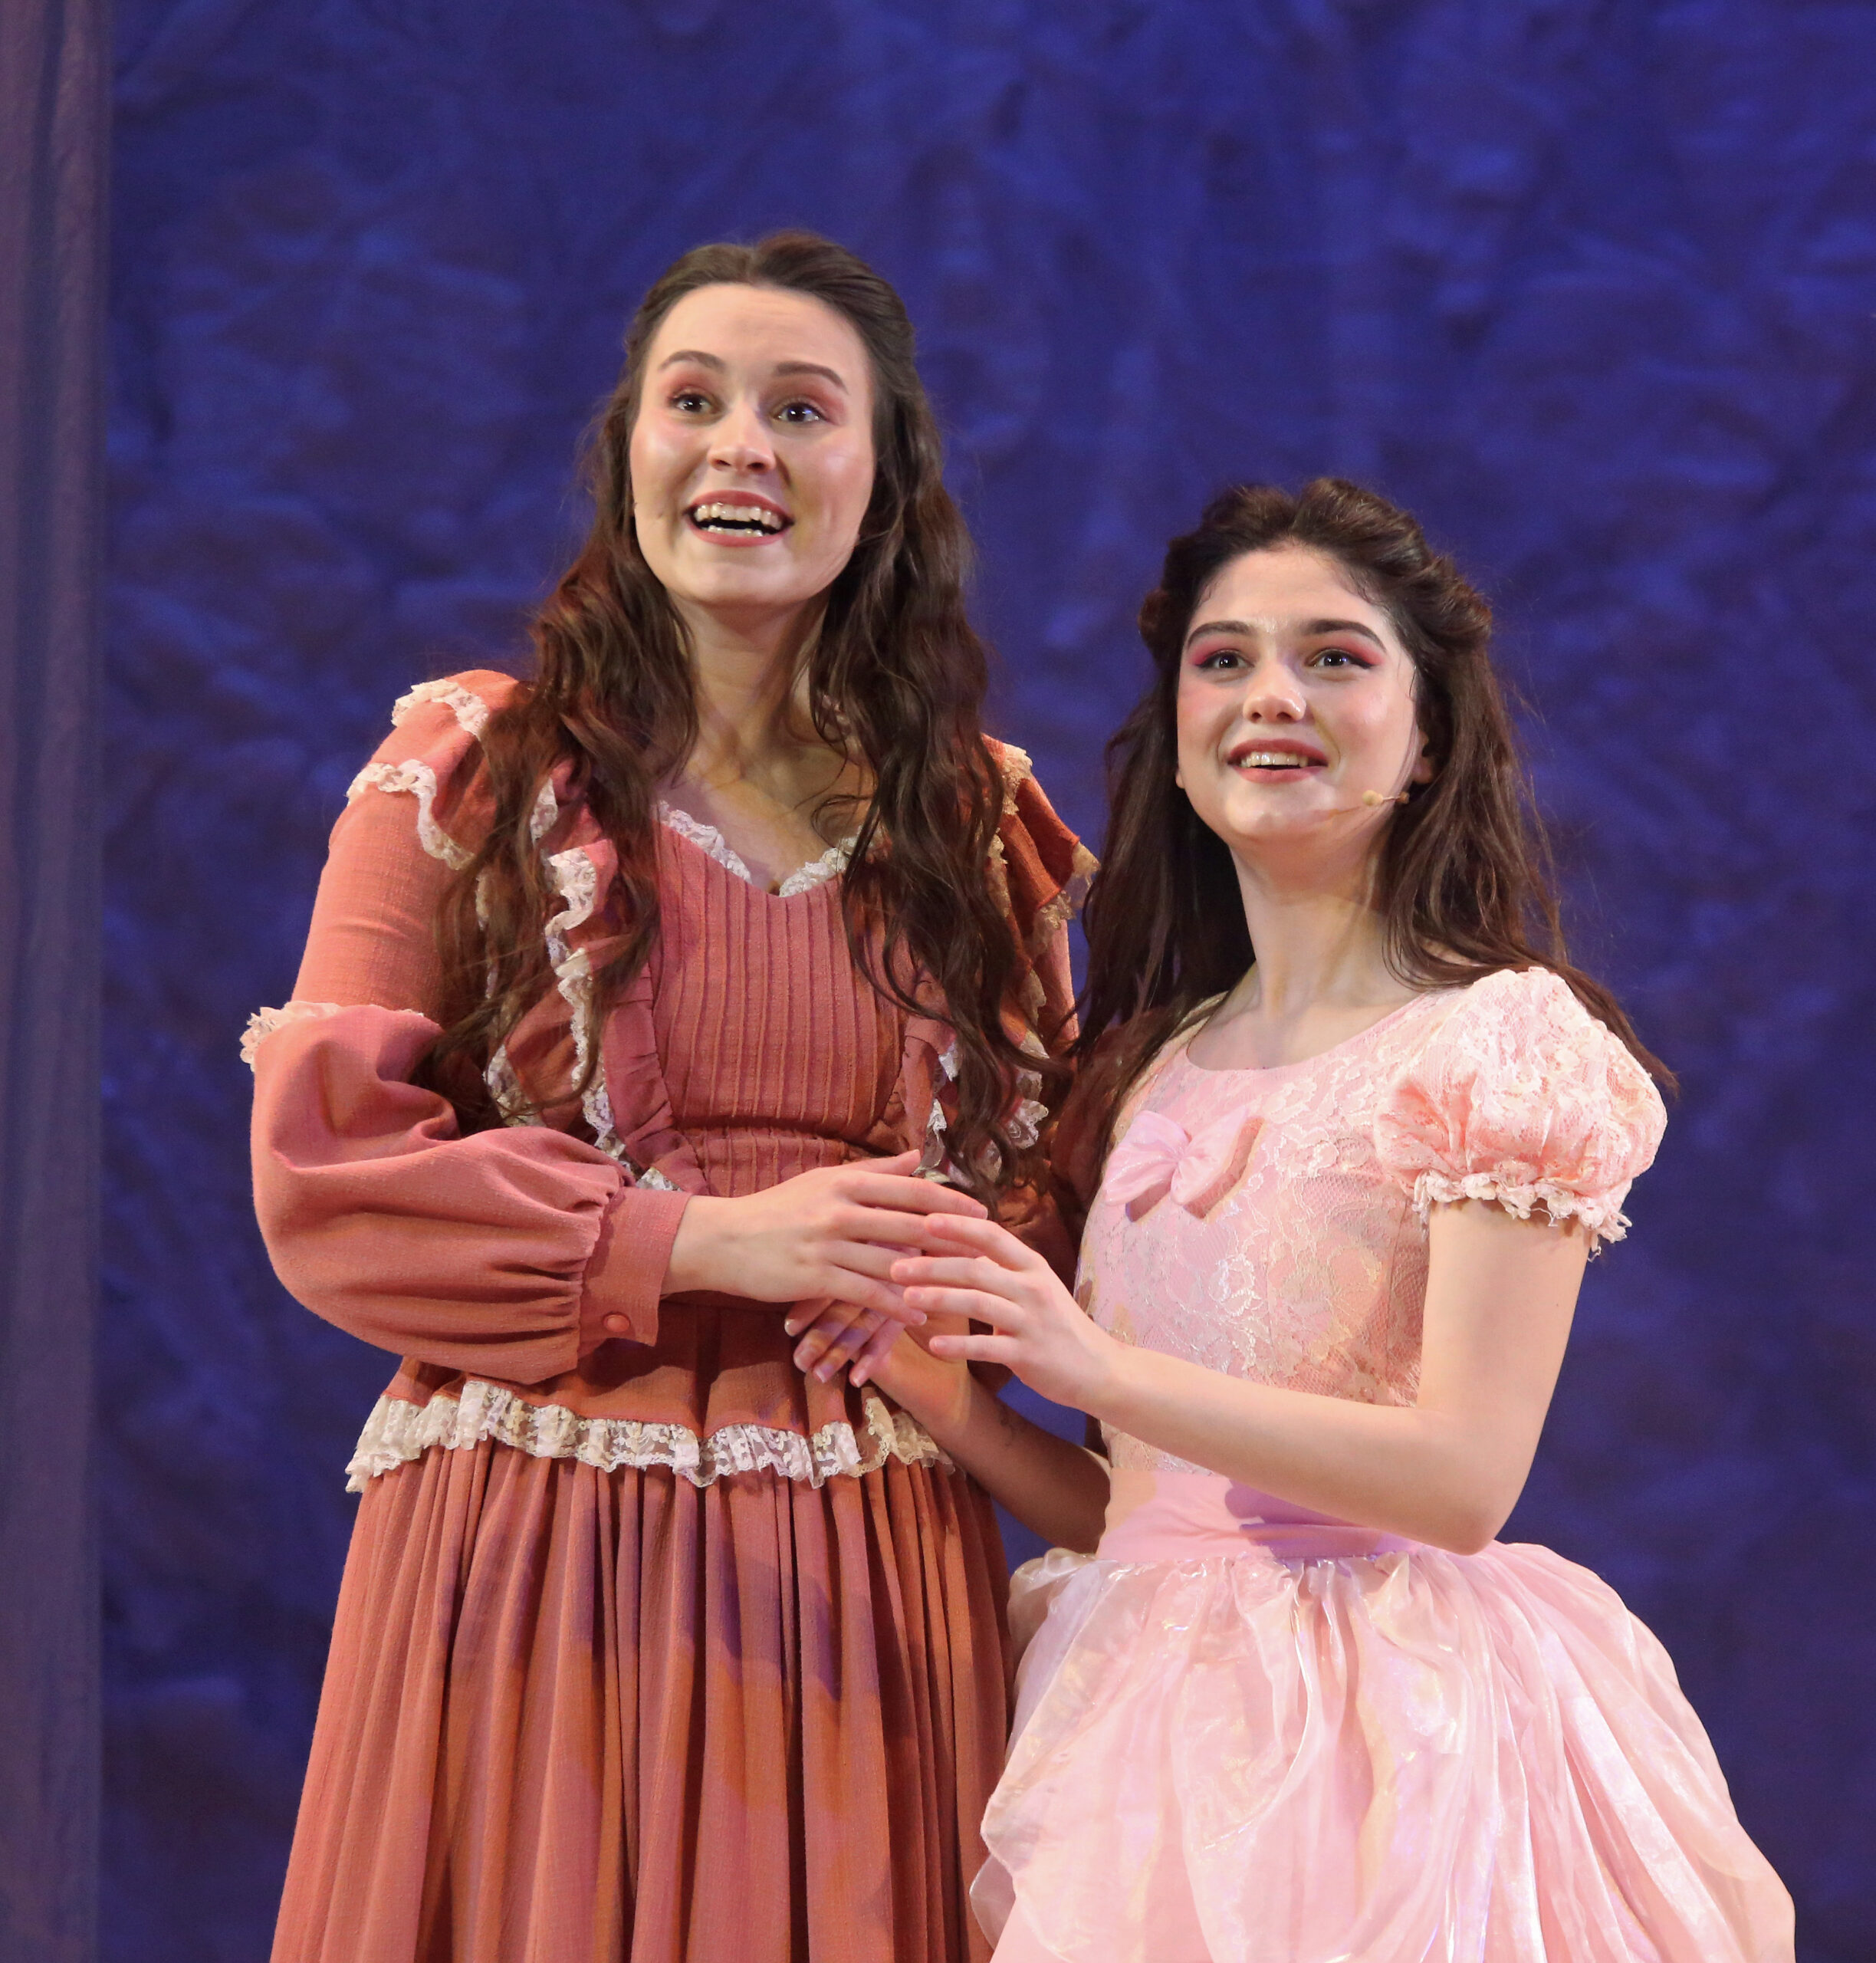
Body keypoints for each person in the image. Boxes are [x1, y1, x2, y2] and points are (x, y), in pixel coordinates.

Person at [245, 231, 1094, 1963]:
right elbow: (325, 1175)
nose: (740, 447)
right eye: (693, 401)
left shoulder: (975, 828)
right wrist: (701, 1241)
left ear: (886, 476)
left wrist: (952, 1327)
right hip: (540, 1551)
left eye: (803, 409)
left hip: (869, 1569)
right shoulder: (475, 769)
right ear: (629, 446)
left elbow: (1051, 1232)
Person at [826, 480, 1795, 1961]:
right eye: (1225, 660)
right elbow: (1143, 1515)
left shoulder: (1496, 1046)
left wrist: (1090, 1364)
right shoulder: (1147, 1065)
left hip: (1383, 1742)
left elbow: (1463, 1480)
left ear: (1429, 736)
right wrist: (947, 1399)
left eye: (1334, 656)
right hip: (1137, 1731)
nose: (1272, 695)